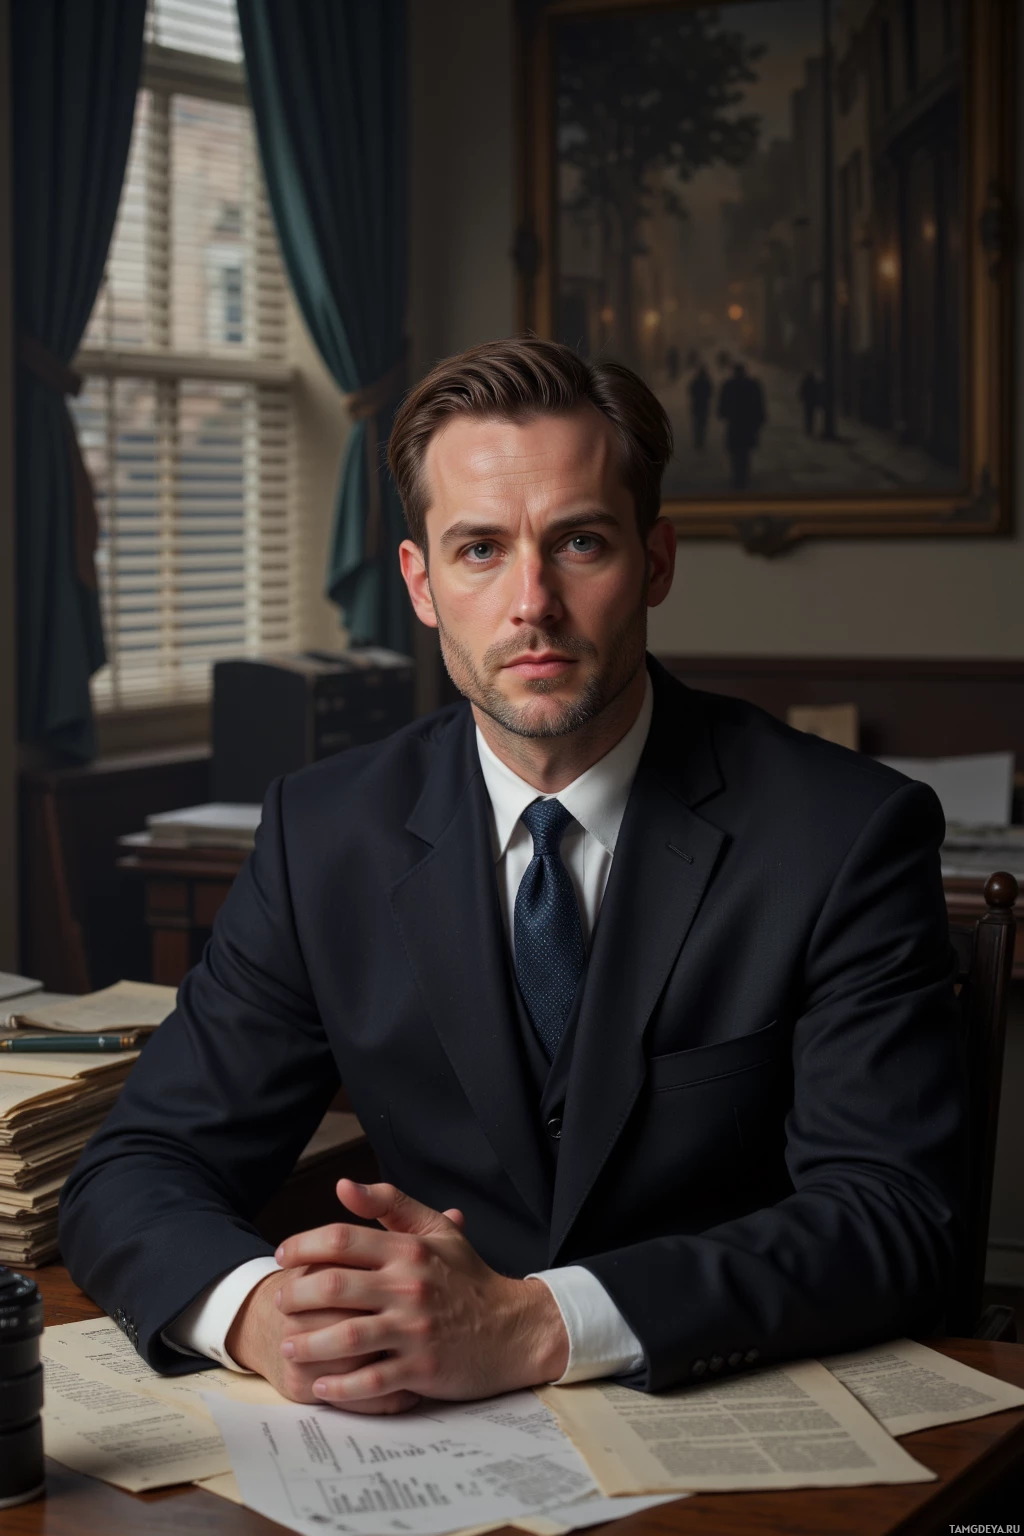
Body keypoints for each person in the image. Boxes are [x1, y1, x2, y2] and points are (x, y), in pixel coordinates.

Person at [60, 337, 963, 1414]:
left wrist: (537, 1324)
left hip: (718, 1412)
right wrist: (260, 1317)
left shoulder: (844, 833)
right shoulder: (323, 833)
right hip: (409, 1444)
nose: (530, 602)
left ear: (656, 561)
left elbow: (895, 1213)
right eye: (479, 550)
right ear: (421, 582)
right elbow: (140, 1164)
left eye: (577, 542)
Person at [717, 361, 766, 489]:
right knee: (744, 452)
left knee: (736, 451)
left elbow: (722, 404)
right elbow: (759, 404)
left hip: (735, 424)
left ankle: (738, 476)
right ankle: (743, 476)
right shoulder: (753, 384)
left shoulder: (729, 385)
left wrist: (722, 413)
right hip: (748, 424)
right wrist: (760, 419)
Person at [687, 362, 712, 449]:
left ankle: (698, 441)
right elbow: (710, 393)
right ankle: (701, 441)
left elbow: (691, 391)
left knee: (697, 424)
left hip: (697, 405)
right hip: (704, 406)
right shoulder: (707, 381)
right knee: (702, 424)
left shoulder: (696, 381)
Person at [799, 370, 820, 436]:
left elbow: (802, 391)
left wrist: (801, 397)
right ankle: (809, 429)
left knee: (808, 416)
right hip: (810, 402)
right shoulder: (813, 383)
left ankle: (808, 429)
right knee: (810, 416)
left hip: (808, 401)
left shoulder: (807, 382)